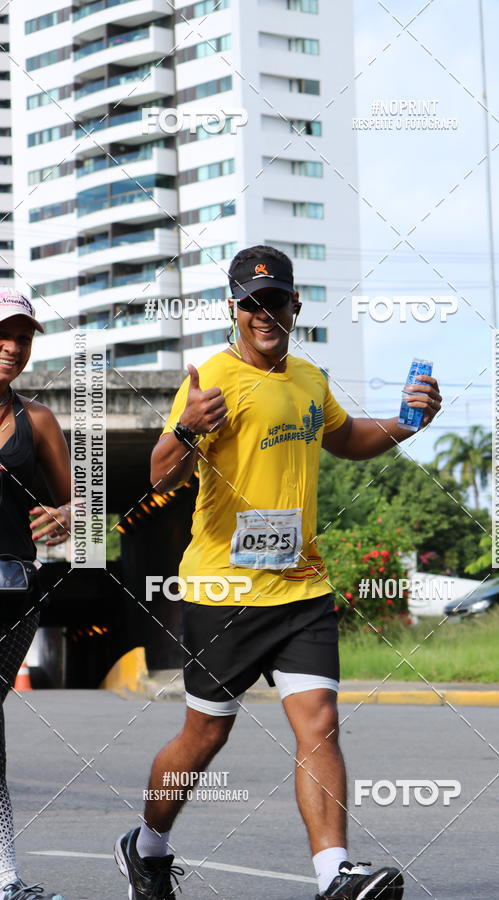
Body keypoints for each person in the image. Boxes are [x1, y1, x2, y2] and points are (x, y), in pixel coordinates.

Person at [114, 246, 442, 900]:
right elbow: (158, 476)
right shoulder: (210, 378)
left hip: (303, 588)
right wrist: (185, 429)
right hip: (224, 590)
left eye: (275, 301)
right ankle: (146, 846)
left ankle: (334, 874)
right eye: (250, 304)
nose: (264, 314)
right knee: (206, 734)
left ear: (296, 305)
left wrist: (409, 422)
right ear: (234, 310)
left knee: (319, 721)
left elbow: (347, 439)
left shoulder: (310, 380)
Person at [0, 290, 72, 899]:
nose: (12, 346)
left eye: (22, 337)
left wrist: (66, 516)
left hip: (13, 597)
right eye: (2, 333)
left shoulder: (38, 420)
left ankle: (5, 877)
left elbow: (90, 505)